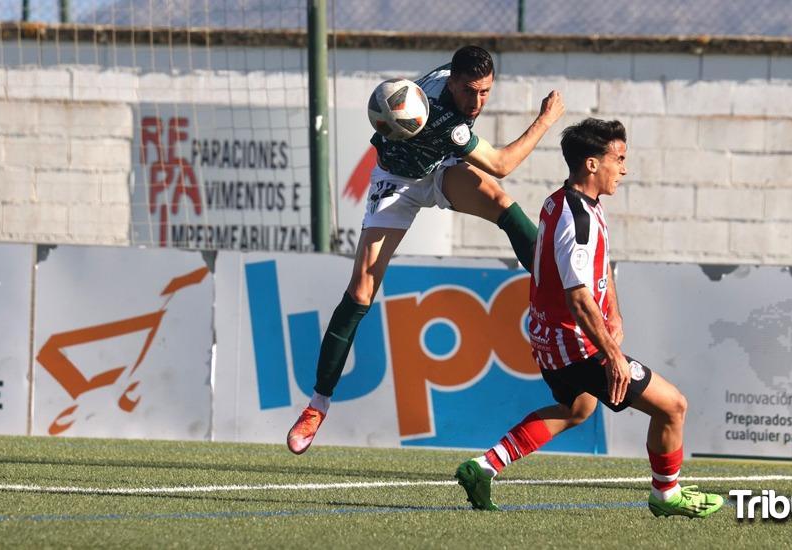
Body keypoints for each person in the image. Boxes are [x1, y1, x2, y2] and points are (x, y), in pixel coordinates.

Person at [286, 45, 566, 454]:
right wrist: (546, 119)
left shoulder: (446, 84)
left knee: (503, 206)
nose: (478, 101)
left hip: (440, 168)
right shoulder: (443, 118)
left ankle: (559, 292)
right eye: (470, 91)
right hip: (397, 181)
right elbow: (503, 162)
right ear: (451, 81)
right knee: (361, 289)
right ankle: (317, 405)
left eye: (486, 92)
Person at [454, 118, 724, 519]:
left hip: (551, 343)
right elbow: (578, 296)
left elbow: (597, 271)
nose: (624, 168)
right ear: (592, 164)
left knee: (576, 409)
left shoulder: (561, 201)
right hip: (577, 346)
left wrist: (613, 309)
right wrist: (613, 354)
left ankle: (485, 465)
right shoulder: (577, 221)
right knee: (673, 407)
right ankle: (666, 494)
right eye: (619, 158)